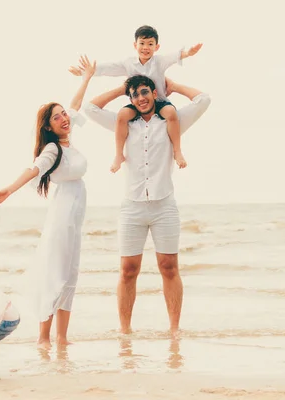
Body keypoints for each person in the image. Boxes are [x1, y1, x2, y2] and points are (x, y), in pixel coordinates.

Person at [83, 74, 211, 336]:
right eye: (135, 94)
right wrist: (121, 89)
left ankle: (174, 330)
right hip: (132, 207)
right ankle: (125, 331)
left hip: (164, 205)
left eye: (144, 92)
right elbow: (90, 108)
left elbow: (203, 99)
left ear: (154, 93)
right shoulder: (125, 123)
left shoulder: (171, 120)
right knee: (128, 270)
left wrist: (174, 87)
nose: (140, 98)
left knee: (168, 266)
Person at [0, 56, 96, 350]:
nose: (64, 118)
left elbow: (76, 104)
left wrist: (86, 78)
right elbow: (33, 169)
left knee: (70, 274)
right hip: (63, 216)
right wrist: (9, 189)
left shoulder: (69, 141)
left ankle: (62, 337)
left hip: (74, 217)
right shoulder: (52, 147)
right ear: (48, 126)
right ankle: (44, 337)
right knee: (56, 274)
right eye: (57, 117)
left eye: (63, 115)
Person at [69, 25, 202, 173]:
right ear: (135, 45)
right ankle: (119, 155)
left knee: (171, 112)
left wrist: (188, 53)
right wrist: (85, 72)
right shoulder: (128, 63)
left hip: (160, 101)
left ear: (156, 47)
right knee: (122, 116)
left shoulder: (159, 61)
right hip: (138, 103)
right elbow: (109, 68)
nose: (146, 48)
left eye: (150, 44)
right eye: (142, 43)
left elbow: (175, 56)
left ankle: (177, 151)